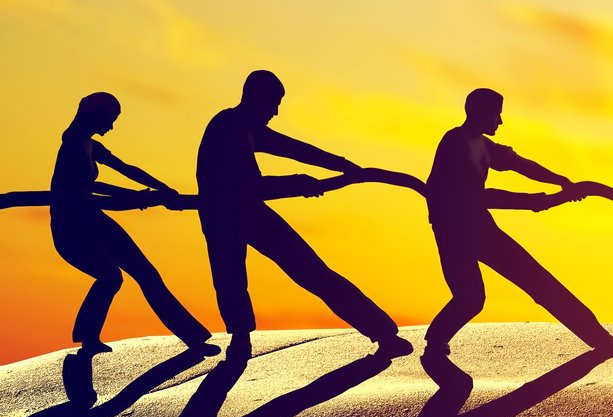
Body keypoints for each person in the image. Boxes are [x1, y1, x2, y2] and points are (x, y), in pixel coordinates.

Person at [195, 69, 409, 357]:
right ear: (255, 97)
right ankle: (240, 340)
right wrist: (298, 183)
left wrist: (342, 165)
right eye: (273, 102)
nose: (276, 111)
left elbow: (295, 148)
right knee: (231, 278)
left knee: (311, 270)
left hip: (248, 210)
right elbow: (244, 186)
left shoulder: (246, 127)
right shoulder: (229, 126)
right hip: (222, 215)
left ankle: (382, 331)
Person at [422, 88, 613, 358]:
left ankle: (598, 337)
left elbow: (520, 164)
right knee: (470, 299)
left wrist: (560, 181)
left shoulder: (483, 146)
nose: (500, 122)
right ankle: (436, 340)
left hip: (480, 227)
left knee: (537, 279)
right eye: (497, 115)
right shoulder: (455, 142)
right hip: (454, 233)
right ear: (482, 113)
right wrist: (534, 201)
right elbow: (471, 196)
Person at [49, 92, 214, 355]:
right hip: (73, 228)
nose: (111, 127)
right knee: (111, 277)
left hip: (92, 220)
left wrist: (163, 190)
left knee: (144, 274)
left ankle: (193, 337)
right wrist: (137, 198)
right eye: (110, 119)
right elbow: (87, 193)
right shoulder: (71, 148)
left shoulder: (89, 146)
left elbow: (126, 169)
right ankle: (88, 335)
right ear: (96, 115)